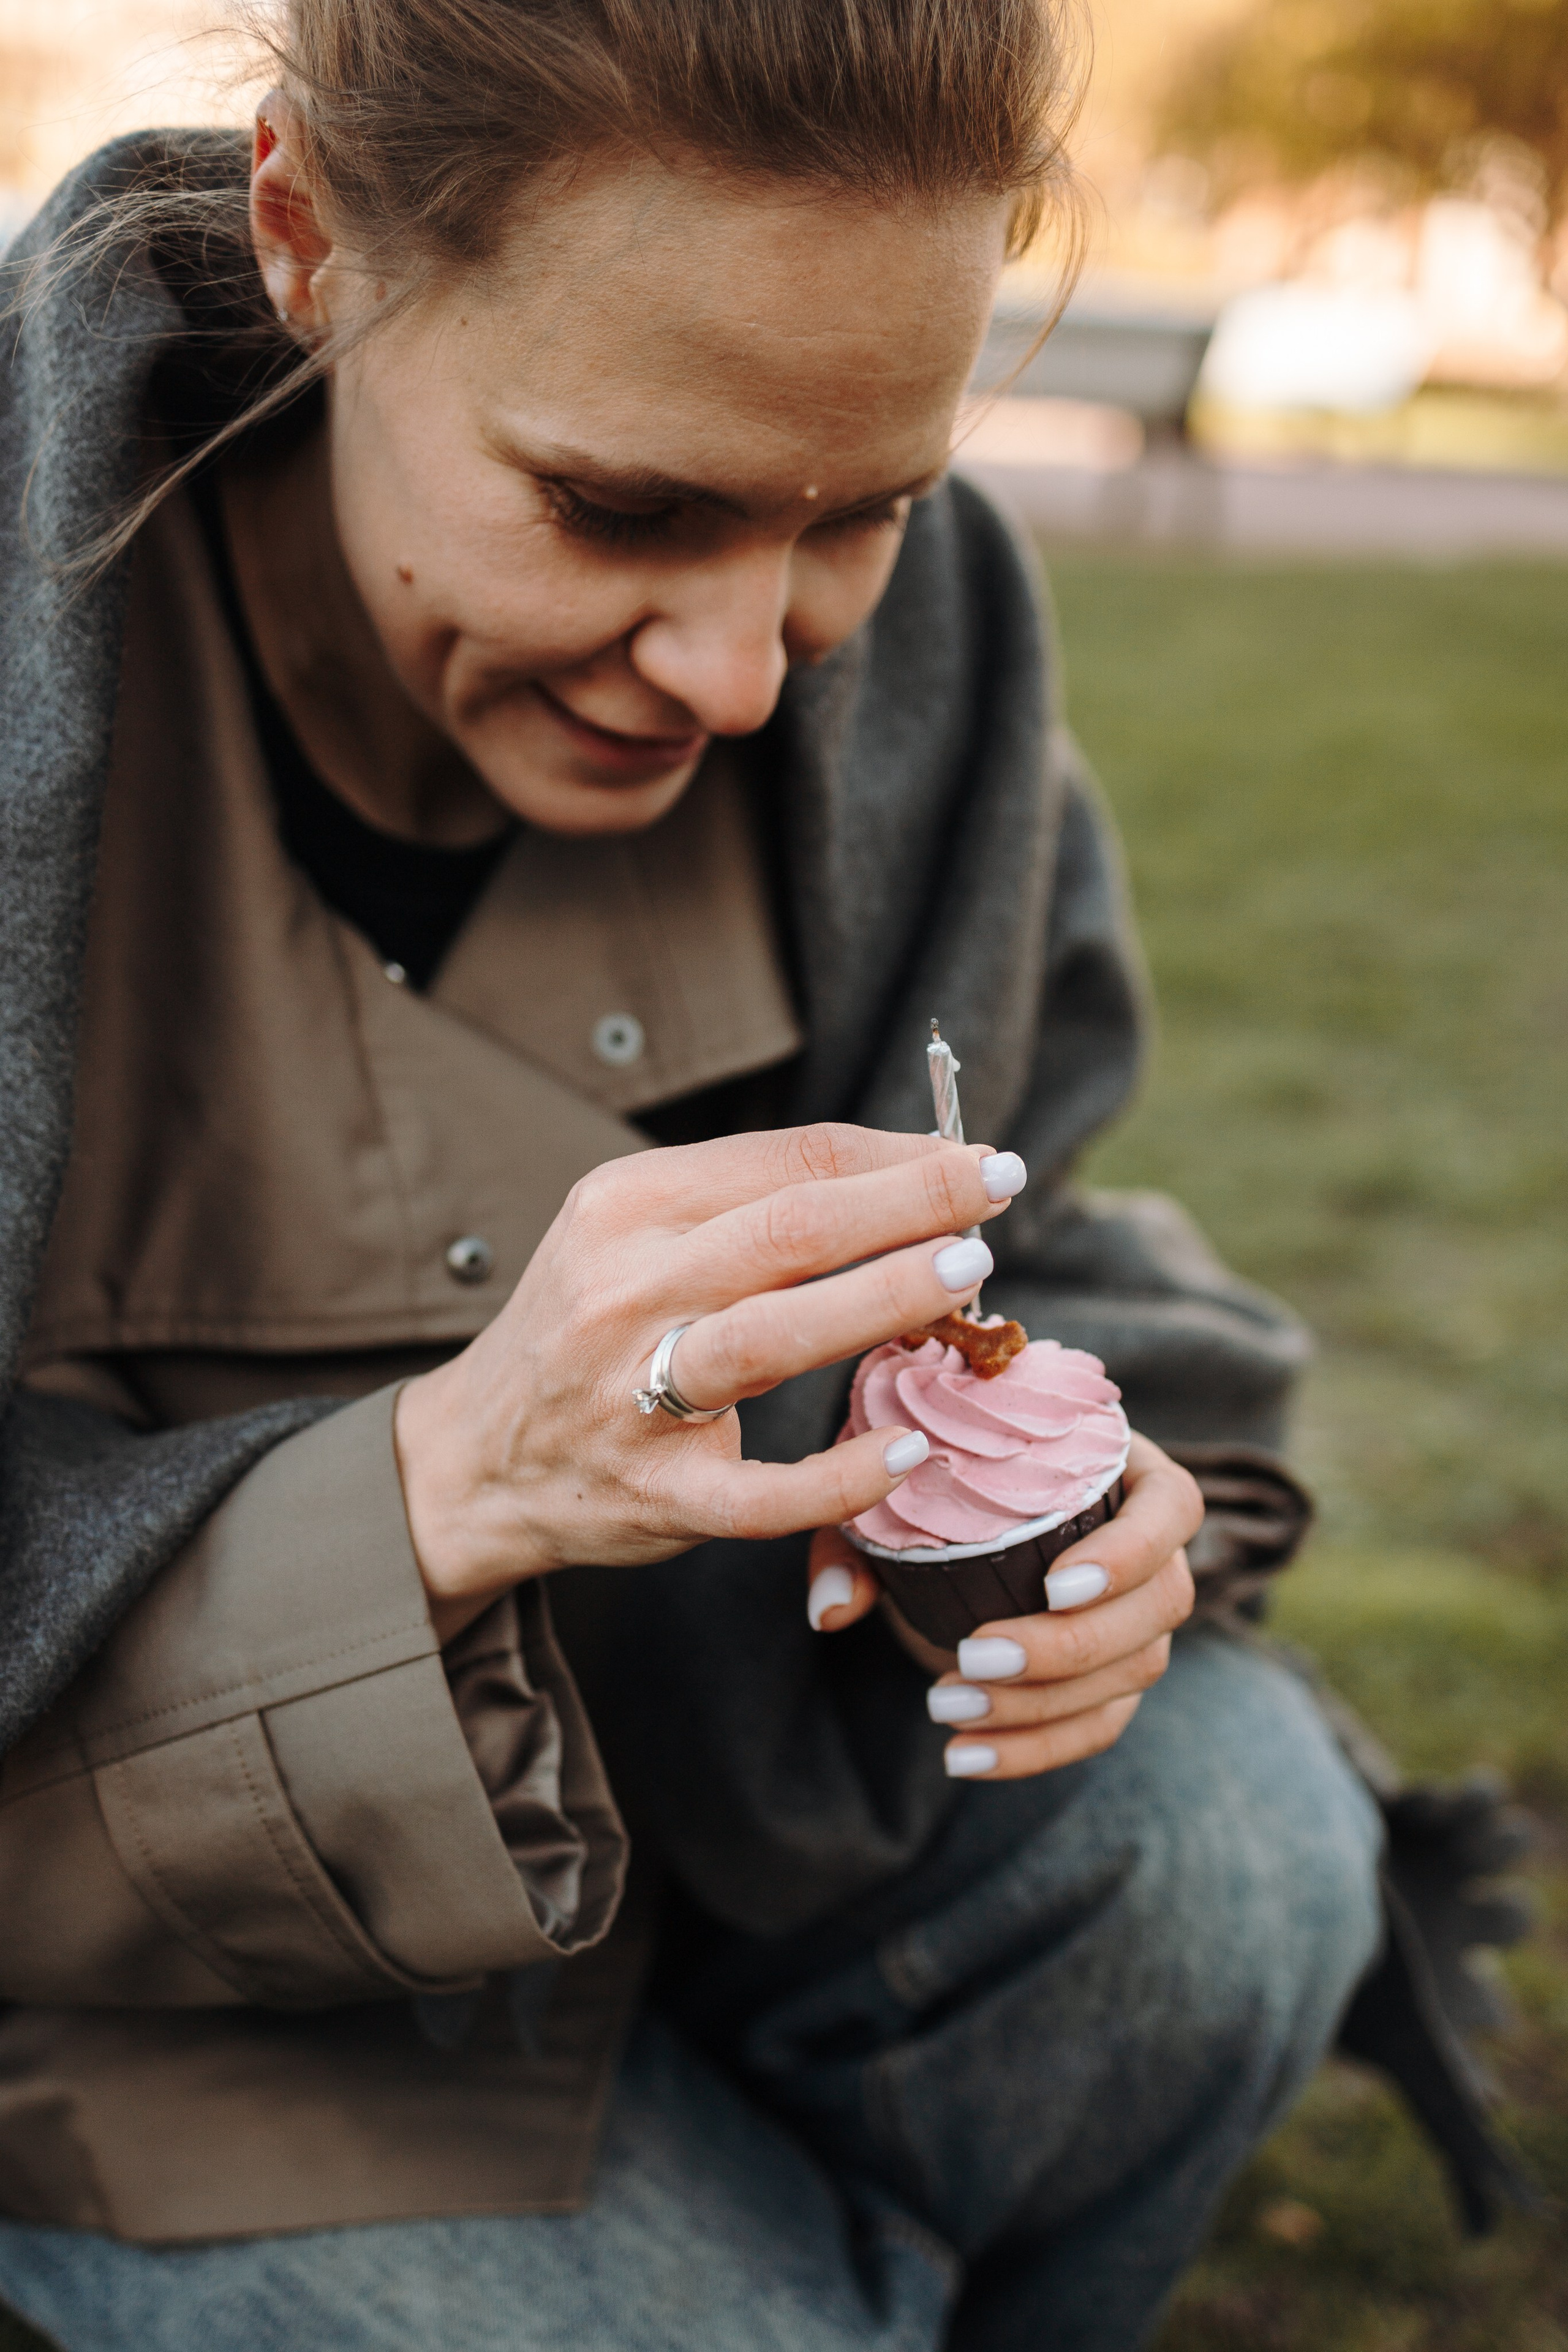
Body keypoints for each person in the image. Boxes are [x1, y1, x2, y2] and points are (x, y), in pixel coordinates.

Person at [0, 3, 1382, 2345]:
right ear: (309, 237)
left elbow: (1027, 1220)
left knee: (1238, 1845)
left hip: (726, 1812)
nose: (752, 673)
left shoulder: (924, 655)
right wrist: (442, 1478)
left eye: (862, 510)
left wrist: (1108, 1480)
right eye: (620, 510)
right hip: (138, 1984)